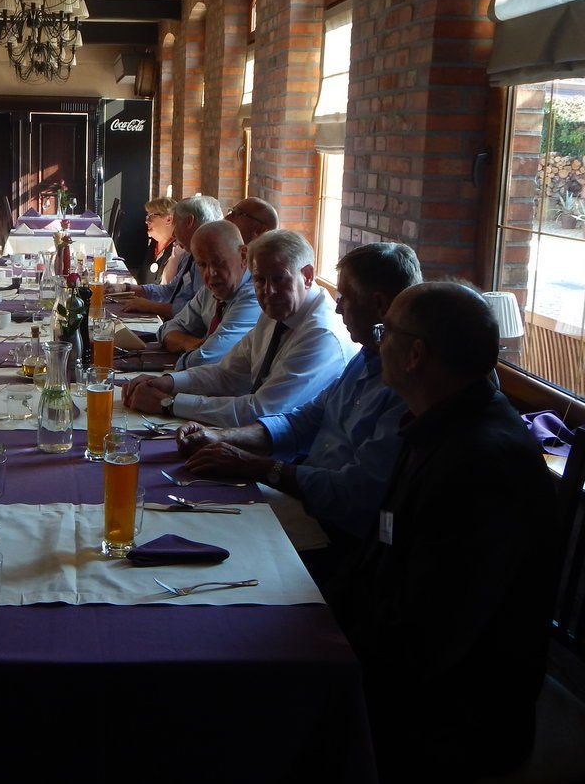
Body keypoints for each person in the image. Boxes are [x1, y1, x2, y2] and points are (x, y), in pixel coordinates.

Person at [325, 281, 558, 784]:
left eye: (385, 332)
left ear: (415, 355)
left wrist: (327, 655)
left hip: (459, 718)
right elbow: (386, 550)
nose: (376, 342)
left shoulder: (479, 465)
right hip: (414, 666)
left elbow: (428, 639)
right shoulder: (437, 421)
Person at [176, 243, 422, 570]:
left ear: (378, 304)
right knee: (186, 512)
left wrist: (257, 466)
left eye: (345, 297)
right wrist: (222, 437)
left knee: (199, 542)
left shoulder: (406, 384)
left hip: (337, 537)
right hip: (302, 501)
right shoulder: (366, 356)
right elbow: (301, 422)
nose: (338, 308)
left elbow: (356, 495)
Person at [123, 229, 354, 426]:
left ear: (307, 276)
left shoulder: (320, 333)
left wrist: (169, 403)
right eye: (259, 280)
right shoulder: (278, 312)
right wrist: (169, 382)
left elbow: (261, 412)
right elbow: (226, 373)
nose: (268, 291)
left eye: (279, 279)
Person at [157, 220, 260, 370]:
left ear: (243, 256)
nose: (211, 273)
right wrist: (188, 343)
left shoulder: (254, 296)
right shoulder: (210, 290)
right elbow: (166, 329)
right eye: (202, 265)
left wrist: (187, 351)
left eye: (219, 262)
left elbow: (205, 359)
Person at [119, 194, 222, 318]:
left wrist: (150, 306)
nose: (173, 233)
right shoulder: (188, 255)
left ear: (189, 222)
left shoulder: (209, 263)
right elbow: (170, 289)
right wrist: (126, 288)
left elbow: (196, 313)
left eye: (175, 223)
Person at [139, 196, 182, 286]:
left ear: (169, 219)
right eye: (147, 216)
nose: (147, 221)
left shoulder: (177, 251)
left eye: (151, 216)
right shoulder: (154, 244)